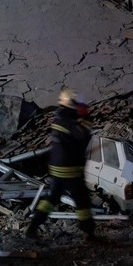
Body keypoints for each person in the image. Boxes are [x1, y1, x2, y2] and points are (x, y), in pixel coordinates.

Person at [25, 89, 103, 242]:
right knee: (82, 201)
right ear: (72, 104)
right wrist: (86, 118)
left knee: (52, 199)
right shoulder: (67, 120)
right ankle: (89, 233)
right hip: (70, 169)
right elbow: (82, 136)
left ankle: (32, 228)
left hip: (59, 167)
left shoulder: (61, 117)